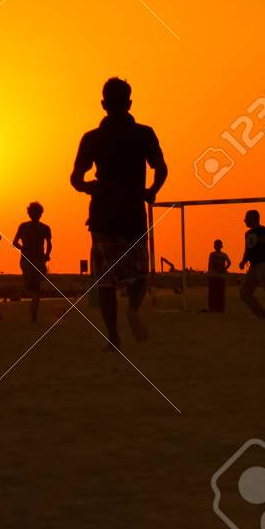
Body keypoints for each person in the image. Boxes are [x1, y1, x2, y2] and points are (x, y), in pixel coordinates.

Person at [71, 76, 168, 350]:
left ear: (103, 104)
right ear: (129, 103)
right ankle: (133, 309)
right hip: (132, 213)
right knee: (140, 274)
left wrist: (88, 187)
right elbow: (161, 168)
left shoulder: (92, 138)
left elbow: (76, 178)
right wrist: (152, 190)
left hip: (102, 214)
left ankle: (113, 336)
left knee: (106, 281)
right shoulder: (144, 133)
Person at [13, 202, 53, 323]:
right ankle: (31, 306)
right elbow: (15, 242)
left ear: (40, 213)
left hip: (38, 260)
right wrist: (23, 249)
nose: (35, 214)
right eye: (33, 212)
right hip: (28, 260)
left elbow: (49, 245)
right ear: (29, 213)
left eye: (37, 212)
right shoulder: (23, 226)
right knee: (31, 287)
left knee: (36, 288)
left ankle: (34, 314)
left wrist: (47, 255)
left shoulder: (45, 228)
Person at [207, 239, 231, 312]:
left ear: (221, 246)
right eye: (215, 245)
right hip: (213, 276)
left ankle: (220, 308)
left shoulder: (224, 255)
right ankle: (212, 308)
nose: (217, 246)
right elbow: (210, 264)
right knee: (212, 293)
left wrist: (224, 269)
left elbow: (229, 262)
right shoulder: (212, 254)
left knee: (220, 293)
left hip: (220, 276)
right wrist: (209, 273)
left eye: (218, 245)